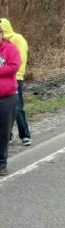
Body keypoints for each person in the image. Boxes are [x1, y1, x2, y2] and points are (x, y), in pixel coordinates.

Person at [0, 19, 30, 146]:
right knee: (8, 110)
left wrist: (17, 73)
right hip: (5, 78)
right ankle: (9, 135)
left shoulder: (17, 39)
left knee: (18, 107)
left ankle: (25, 135)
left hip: (16, 76)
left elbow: (20, 58)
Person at [0, 27, 21, 176]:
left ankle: (2, 163)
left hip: (7, 97)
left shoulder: (10, 48)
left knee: (3, 131)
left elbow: (14, 66)